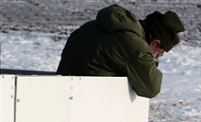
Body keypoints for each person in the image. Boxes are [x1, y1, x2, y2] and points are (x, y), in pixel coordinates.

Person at [57, 4, 185, 99]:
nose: (155, 56)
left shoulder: (90, 26)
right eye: (159, 52)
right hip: (87, 102)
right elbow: (151, 88)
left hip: (61, 95)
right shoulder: (134, 45)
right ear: (155, 43)